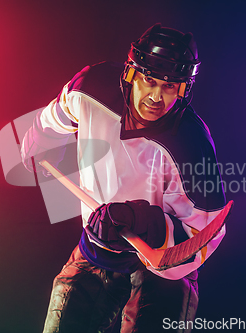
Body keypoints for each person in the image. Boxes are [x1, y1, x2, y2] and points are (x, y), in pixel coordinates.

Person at [21, 23, 227, 333]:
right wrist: (39, 140)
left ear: (184, 88)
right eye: (149, 80)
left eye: (170, 86)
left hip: (163, 271)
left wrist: (147, 223)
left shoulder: (192, 144)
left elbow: (205, 234)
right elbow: (55, 117)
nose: (156, 96)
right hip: (98, 248)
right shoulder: (90, 88)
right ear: (132, 72)